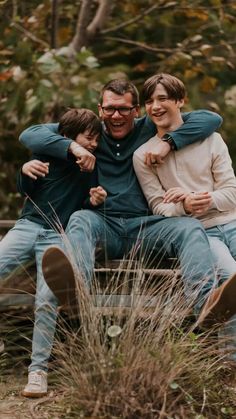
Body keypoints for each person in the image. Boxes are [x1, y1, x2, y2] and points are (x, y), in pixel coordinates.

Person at [20, 78, 226, 396]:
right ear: (100, 108)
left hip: (148, 226)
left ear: (136, 110)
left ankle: (205, 305)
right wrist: (74, 146)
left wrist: (167, 142)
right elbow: (31, 134)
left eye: (124, 110)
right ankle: (77, 293)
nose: (116, 117)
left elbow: (211, 118)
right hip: (103, 224)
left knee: (190, 228)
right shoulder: (91, 132)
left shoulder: (147, 129)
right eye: (110, 109)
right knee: (79, 220)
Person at [0, 108, 106, 398]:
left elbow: (85, 203)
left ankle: (38, 371)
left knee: (47, 298)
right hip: (28, 226)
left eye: (97, 138)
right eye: (89, 138)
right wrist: (24, 172)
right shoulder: (46, 153)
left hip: (58, 234)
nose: (94, 143)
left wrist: (95, 200)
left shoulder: (92, 165)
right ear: (67, 137)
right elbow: (28, 189)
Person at [133, 73, 236, 357]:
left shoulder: (211, 140)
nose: (155, 106)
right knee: (231, 281)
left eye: (163, 98)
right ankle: (230, 362)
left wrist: (201, 198)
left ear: (180, 101)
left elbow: (231, 193)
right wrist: (184, 207)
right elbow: (159, 206)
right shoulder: (142, 155)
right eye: (150, 101)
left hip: (233, 222)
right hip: (202, 234)